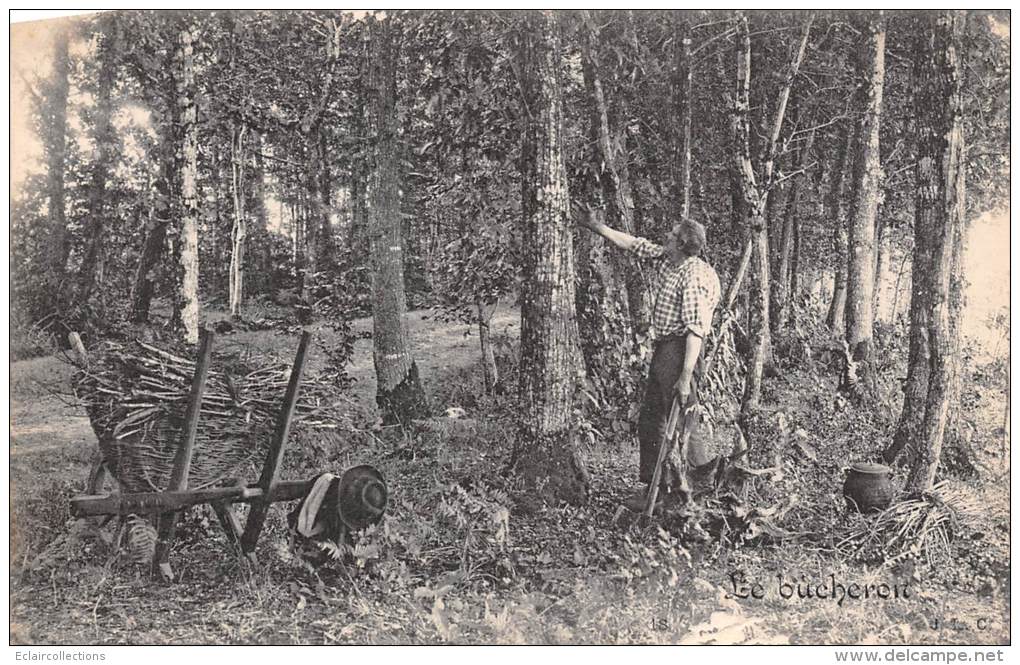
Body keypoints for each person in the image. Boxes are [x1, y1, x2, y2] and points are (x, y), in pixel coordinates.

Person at [579, 208, 721, 509]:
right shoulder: (670, 260)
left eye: (671, 236)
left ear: (682, 245)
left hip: (683, 351)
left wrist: (684, 378)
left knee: (682, 418)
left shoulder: (694, 277)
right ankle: (657, 488)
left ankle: (700, 487)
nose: (665, 238)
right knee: (652, 419)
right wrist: (596, 226)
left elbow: (695, 332)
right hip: (666, 349)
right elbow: (634, 244)